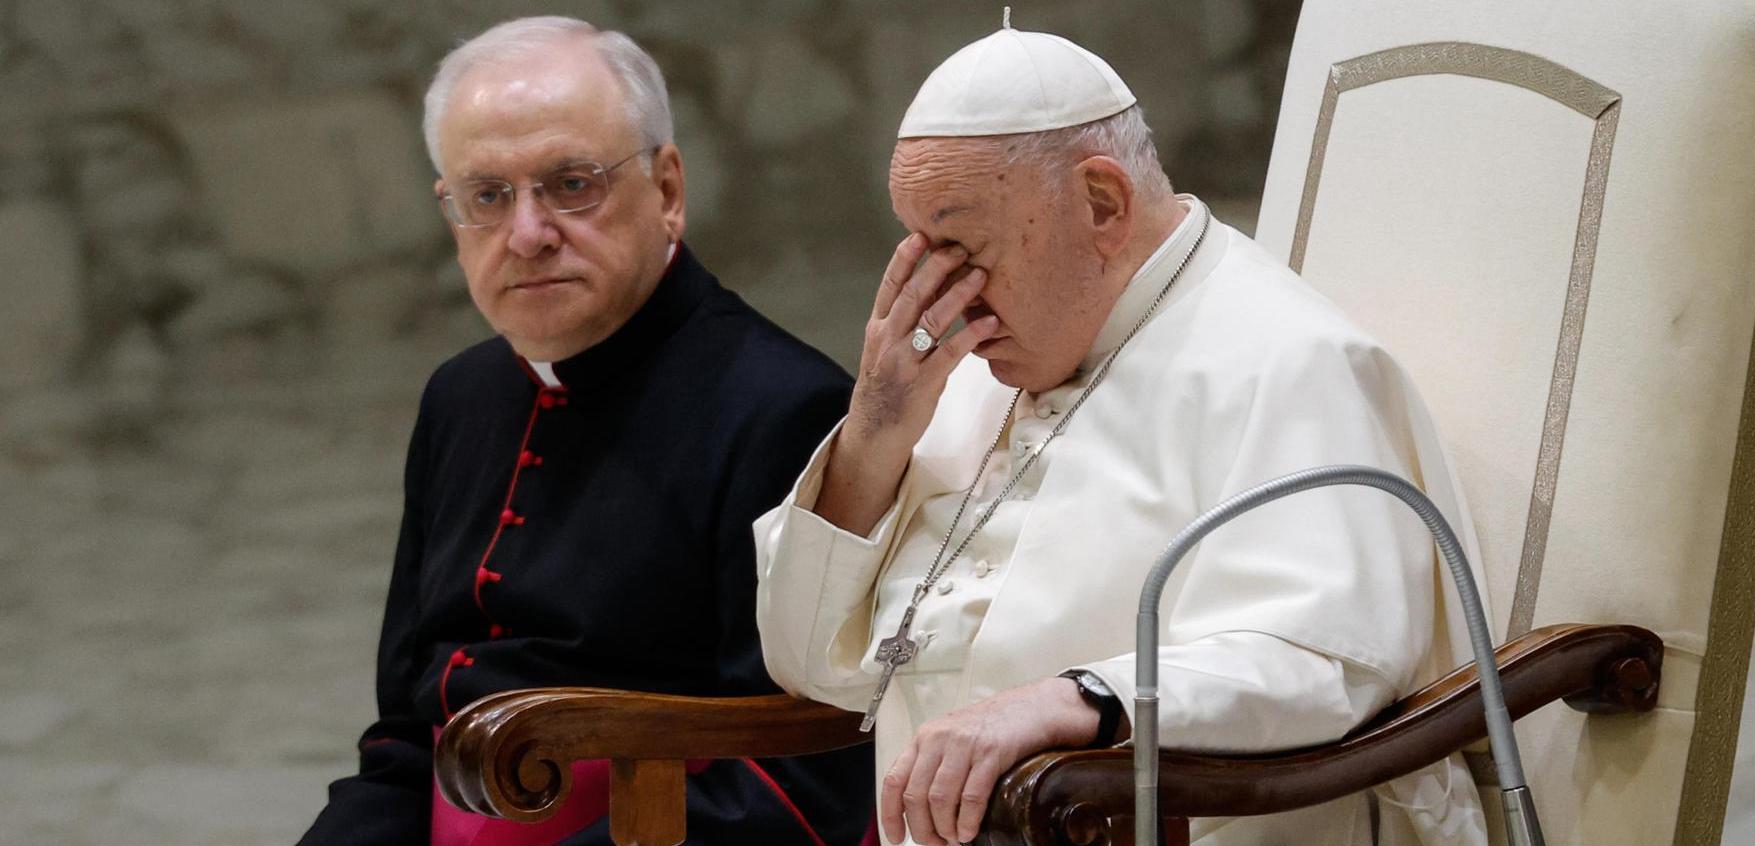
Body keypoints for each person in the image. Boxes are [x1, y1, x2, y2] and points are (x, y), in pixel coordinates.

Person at [754, 22, 1488, 846]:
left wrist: (1076, 700)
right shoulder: (960, 374)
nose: (937, 295)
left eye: (958, 246)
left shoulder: (1289, 361)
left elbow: (1324, 661)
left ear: (1101, 203)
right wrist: (878, 427)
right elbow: (806, 661)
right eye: (917, 245)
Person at [300, 16, 871, 845]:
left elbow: (795, 784)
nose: (527, 235)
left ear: (668, 190)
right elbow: (407, 734)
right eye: (487, 196)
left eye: (571, 184)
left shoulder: (784, 408)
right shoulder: (458, 398)